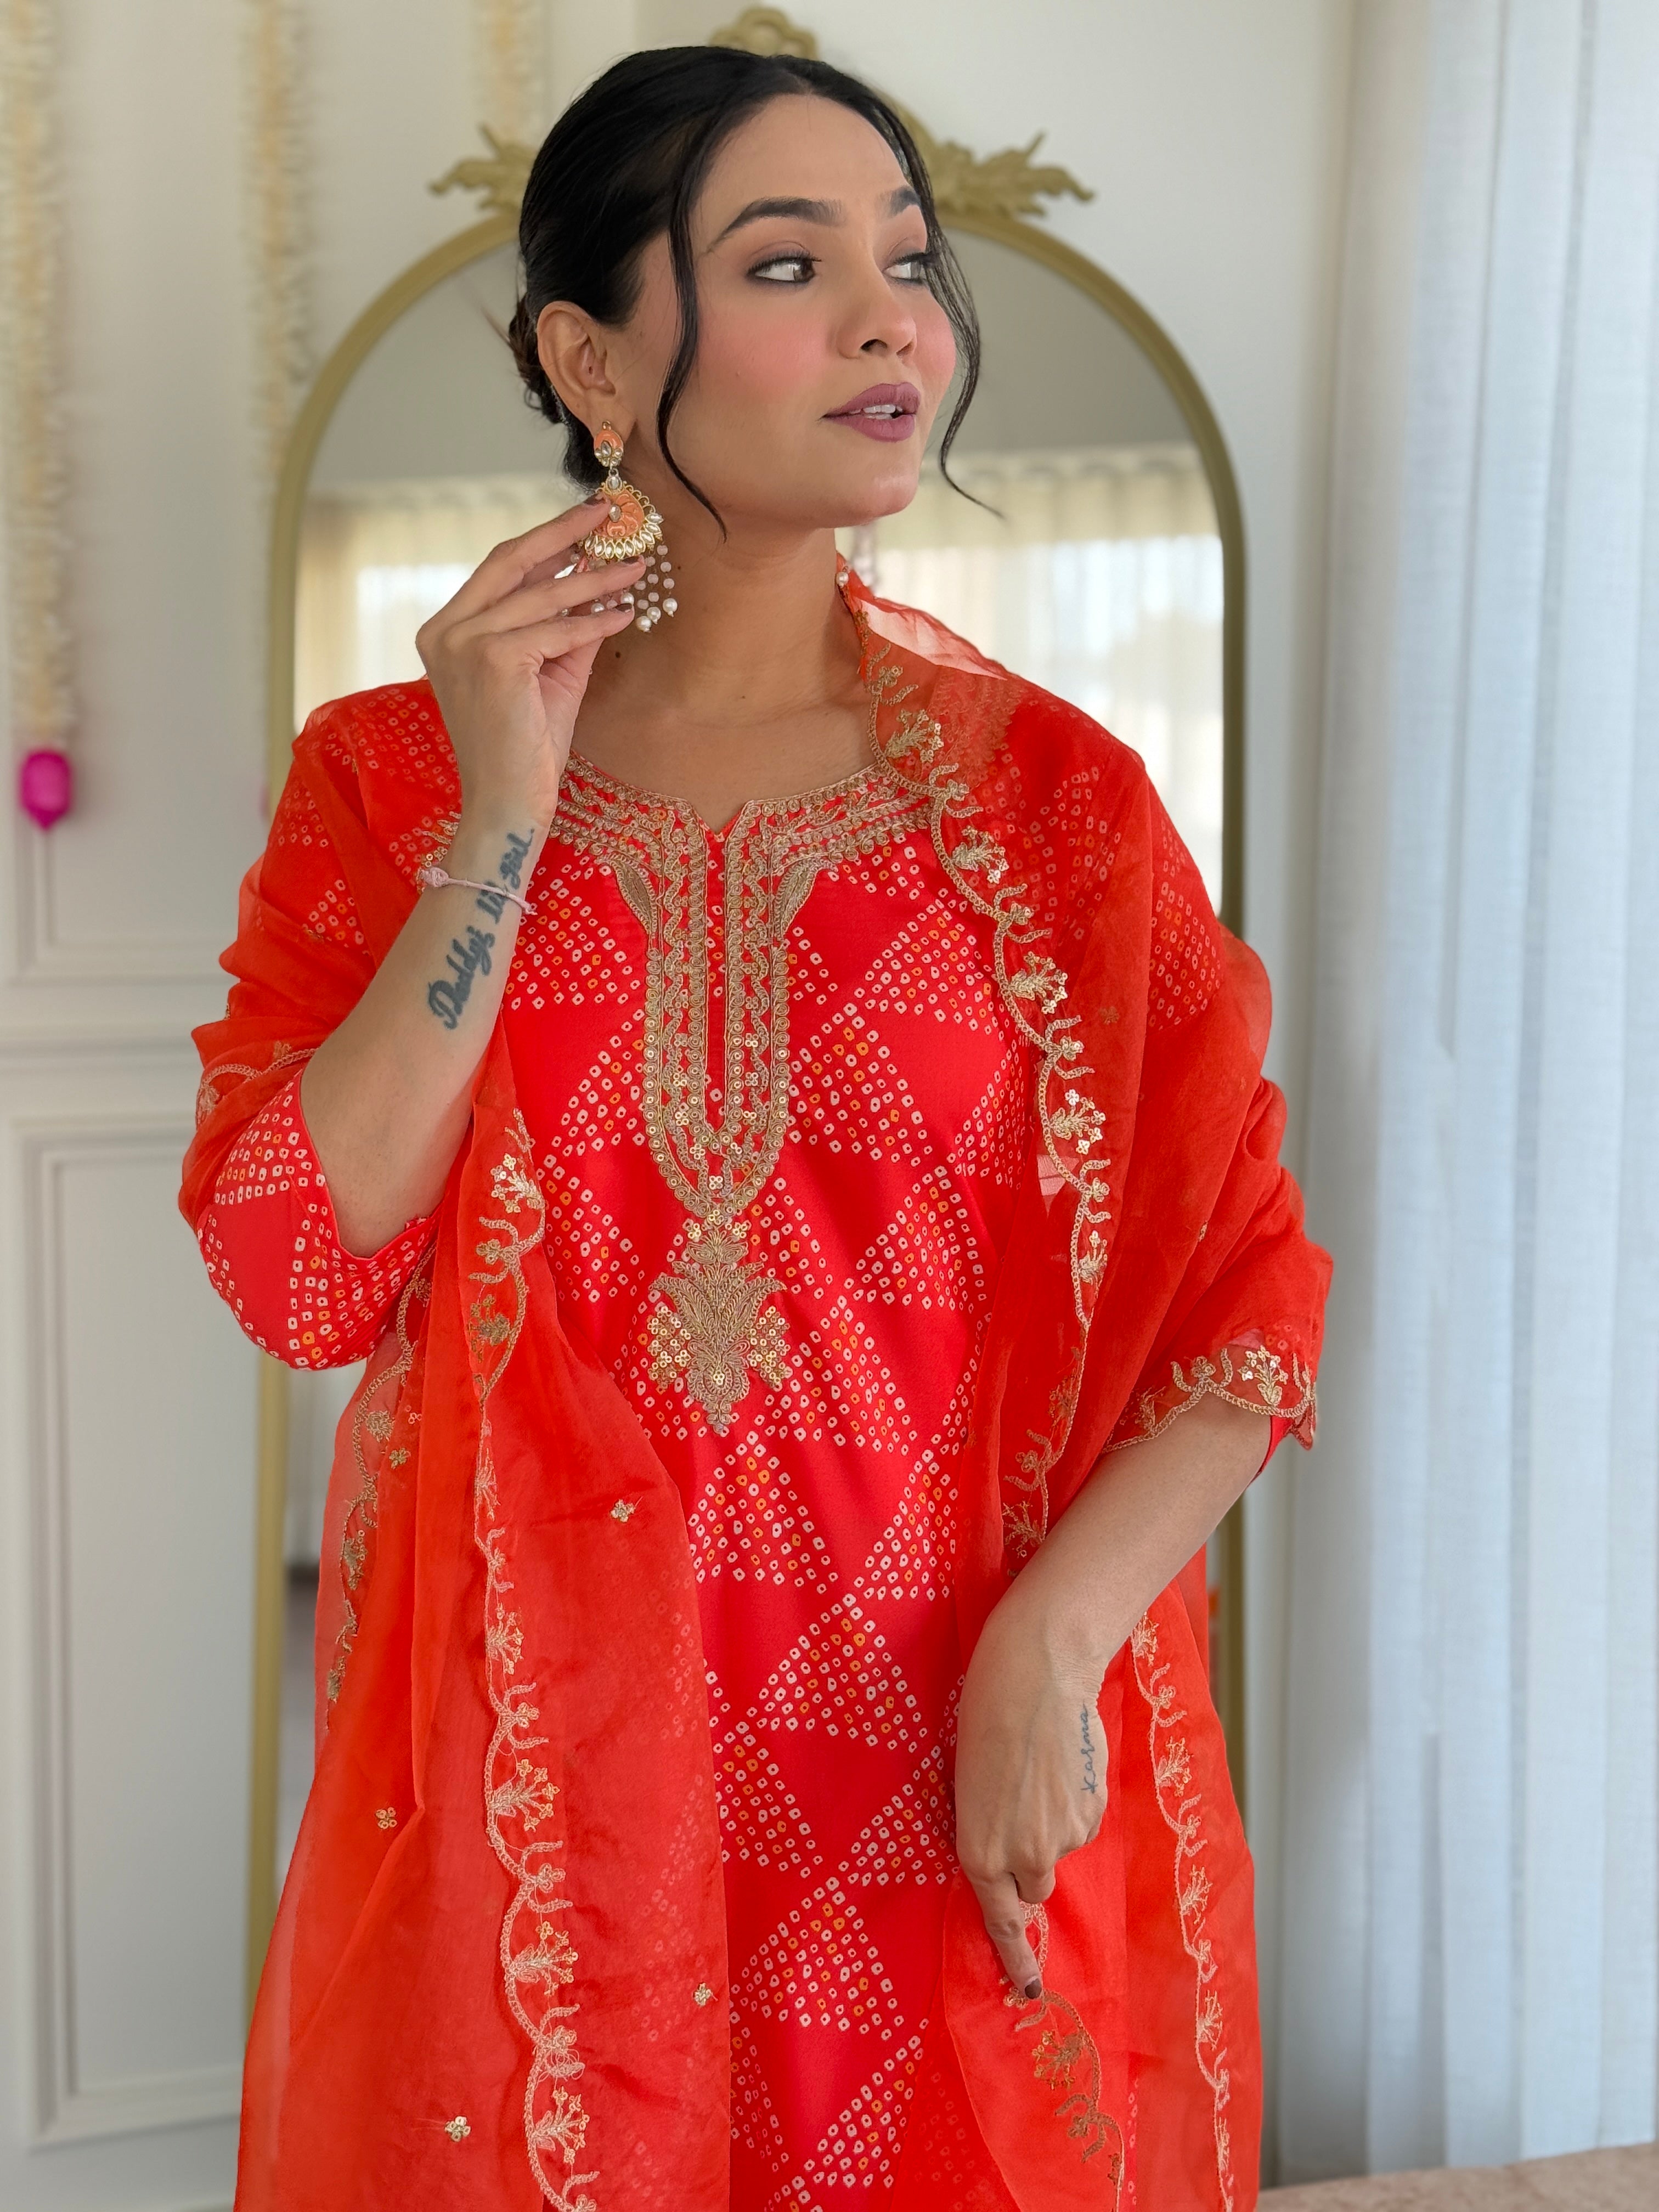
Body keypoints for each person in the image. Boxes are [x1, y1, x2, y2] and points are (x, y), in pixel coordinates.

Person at [183, 44, 1328, 2212]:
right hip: (548, 1802)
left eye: (910, 264)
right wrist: (499, 824)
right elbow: (295, 1258)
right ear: (594, 359)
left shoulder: (1059, 813)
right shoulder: (392, 787)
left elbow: (1248, 1313)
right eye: (792, 265)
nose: (897, 317)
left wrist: (1058, 1640)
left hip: (952, 1774)